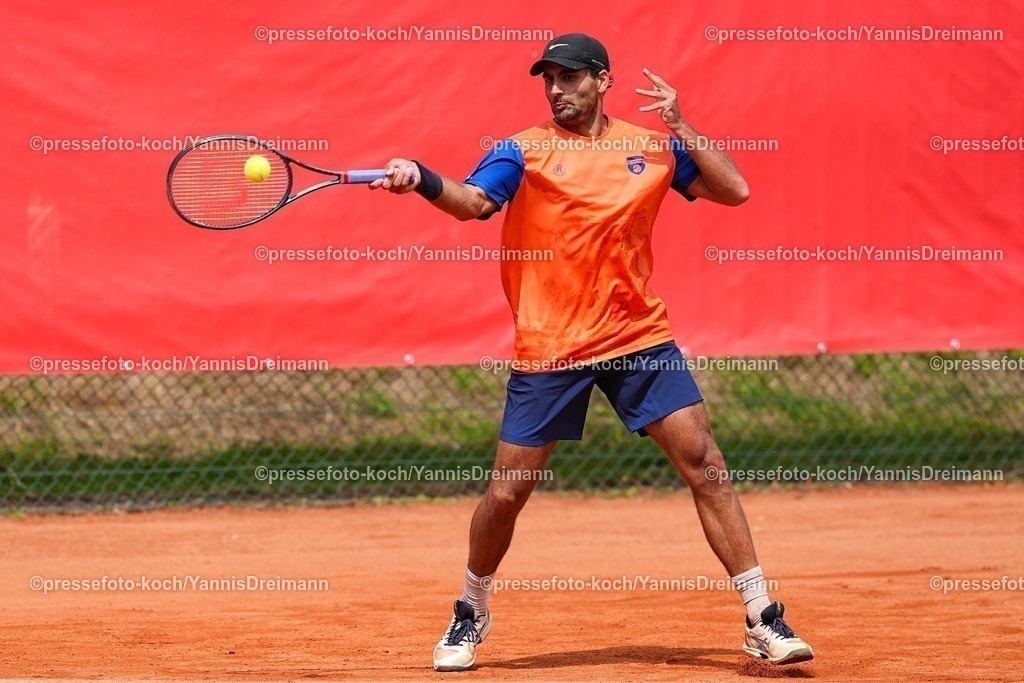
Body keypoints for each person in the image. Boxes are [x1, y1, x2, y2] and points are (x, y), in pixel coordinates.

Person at [370, 32, 813, 671]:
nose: (557, 89)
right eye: (548, 78)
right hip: (551, 343)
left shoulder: (651, 147)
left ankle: (762, 615)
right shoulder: (522, 150)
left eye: (571, 77)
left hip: (638, 337)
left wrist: (681, 125)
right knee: (507, 493)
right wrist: (422, 178)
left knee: (705, 465)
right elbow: (471, 204)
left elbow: (734, 190)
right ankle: (471, 608)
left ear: (602, 81)